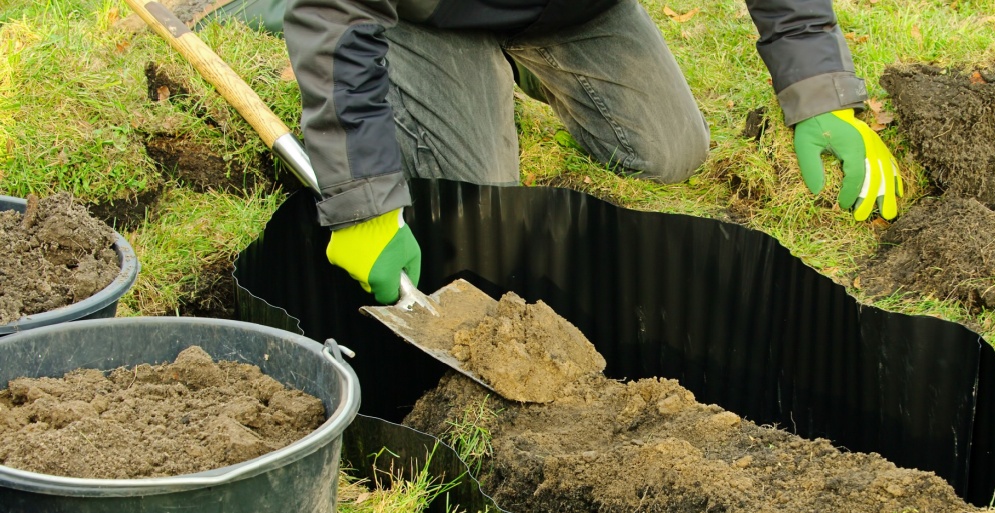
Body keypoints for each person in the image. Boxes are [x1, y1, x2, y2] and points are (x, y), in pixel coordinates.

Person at [283, 0, 903, 304]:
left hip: (569, 11)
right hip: (431, 12)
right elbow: (331, 9)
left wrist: (817, 89)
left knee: (671, 153)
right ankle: (431, 67)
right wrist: (362, 198)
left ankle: (525, 64)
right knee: (487, 202)